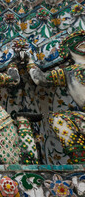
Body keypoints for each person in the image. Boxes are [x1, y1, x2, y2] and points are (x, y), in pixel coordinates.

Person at [26, 30, 85, 164]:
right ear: (67, 49)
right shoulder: (68, 72)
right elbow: (40, 79)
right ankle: (80, 160)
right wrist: (30, 61)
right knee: (59, 119)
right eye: (78, 41)